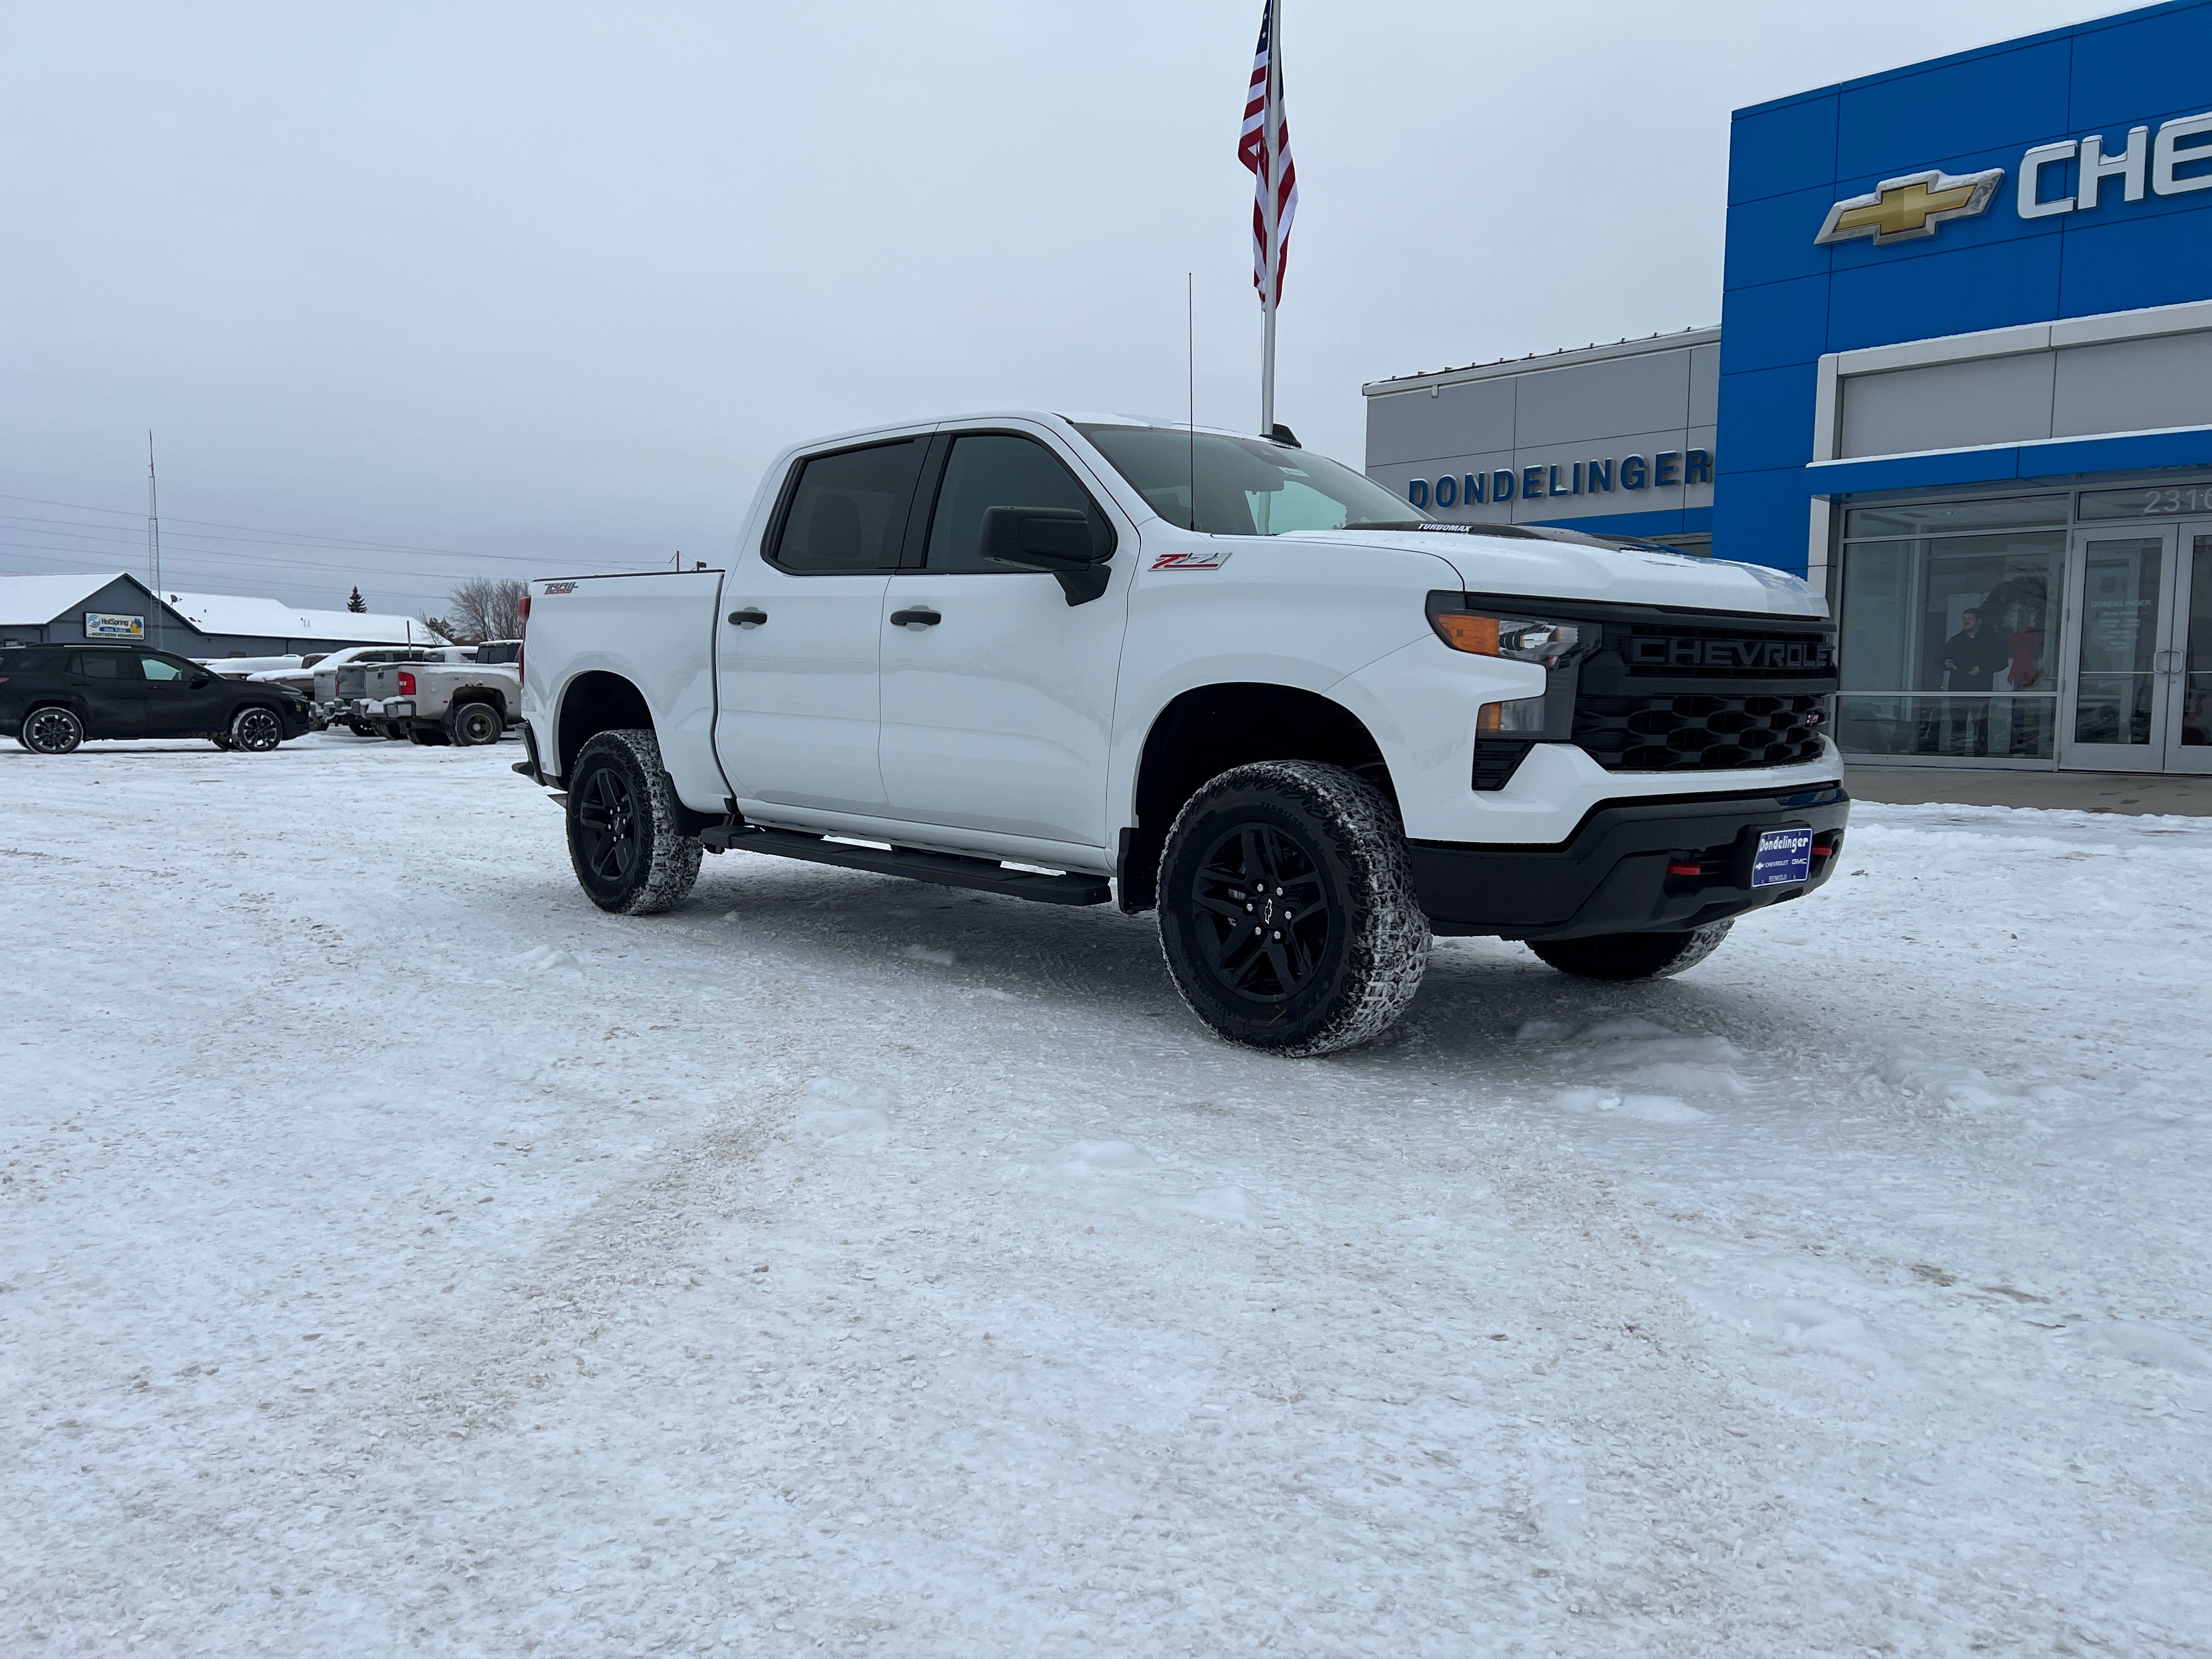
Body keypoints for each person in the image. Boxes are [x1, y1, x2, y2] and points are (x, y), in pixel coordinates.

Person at [1942, 607, 2011, 756]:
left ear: (1979, 621)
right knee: (1958, 728)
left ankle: (1980, 759)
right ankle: (1956, 759)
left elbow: (2002, 661)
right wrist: (1946, 663)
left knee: (1980, 728)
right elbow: (1940, 660)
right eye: (1964, 618)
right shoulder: (1956, 640)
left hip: (1980, 691)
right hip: (1958, 691)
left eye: (1970, 618)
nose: (1966, 621)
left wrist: (1983, 669)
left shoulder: (1990, 641)